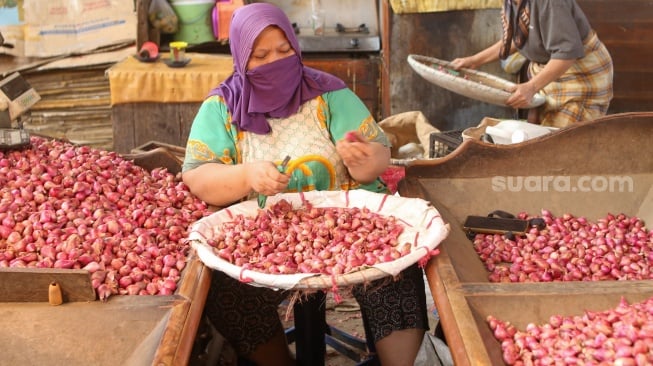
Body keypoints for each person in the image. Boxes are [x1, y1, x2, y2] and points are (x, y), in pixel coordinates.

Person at [181, 3, 429, 365]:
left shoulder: (328, 94)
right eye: (260, 55)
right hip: (262, 239)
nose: (275, 62)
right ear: (239, 57)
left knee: (398, 274)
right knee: (227, 293)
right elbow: (198, 175)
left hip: (351, 229)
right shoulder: (222, 108)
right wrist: (247, 175)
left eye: (285, 51)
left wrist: (363, 159)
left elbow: (378, 157)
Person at [450, 0, 613, 128]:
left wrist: (531, 87)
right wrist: (474, 60)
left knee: (565, 138)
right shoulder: (512, 3)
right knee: (539, 131)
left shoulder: (549, 2)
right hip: (547, 71)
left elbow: (566, 53)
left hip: (579, 74)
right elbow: (518, 38)